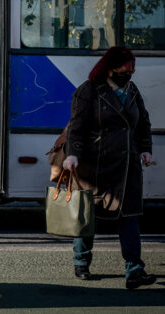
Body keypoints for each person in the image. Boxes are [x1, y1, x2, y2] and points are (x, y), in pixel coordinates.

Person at [62, 46, 156, 289]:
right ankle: (81, 262)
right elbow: (76, 127)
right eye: (124, 71)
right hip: (95, 166)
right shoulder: (89, 91)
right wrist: (72, 154)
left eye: (131, 71)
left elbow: (143, 122)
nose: (128, 75)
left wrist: (145, 149)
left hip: (127, 166)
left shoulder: (132, 91)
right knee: (88, 216)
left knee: (130, 217)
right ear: (110, 69)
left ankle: (134, 269)